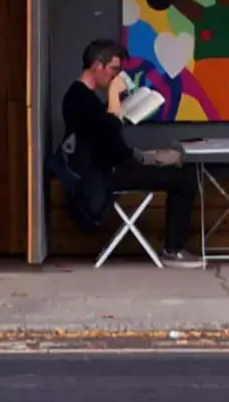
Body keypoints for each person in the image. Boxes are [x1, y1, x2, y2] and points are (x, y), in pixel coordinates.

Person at [61, 38, 200, 266]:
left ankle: (174, 248)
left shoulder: (84, 98)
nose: (115, 77)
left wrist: (144, 156)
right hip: (104, 175)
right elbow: (109, 134)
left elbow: (108, 139)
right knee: (183, 179)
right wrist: (114, 97)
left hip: (110, 167)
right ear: (97, 66)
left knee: (178, 167)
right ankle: (174, 249)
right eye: (114, 69)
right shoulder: (79, 99)